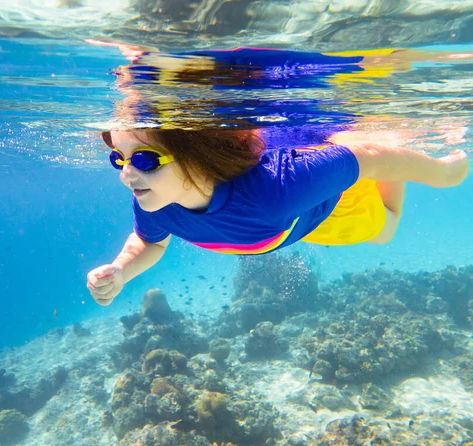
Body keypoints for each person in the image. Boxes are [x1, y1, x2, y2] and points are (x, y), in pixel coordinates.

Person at [85, 46, 471, 306]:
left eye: (146, 159)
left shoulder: (275, 192)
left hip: (320, 207)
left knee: (384, 227)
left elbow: (368, 157)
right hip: (285, 226)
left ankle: (372, 137)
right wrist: (121, 270)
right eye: (118, 159)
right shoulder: (155, 203)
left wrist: (444, 174)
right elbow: (149, 243)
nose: (126, 174)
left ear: (200, 155)